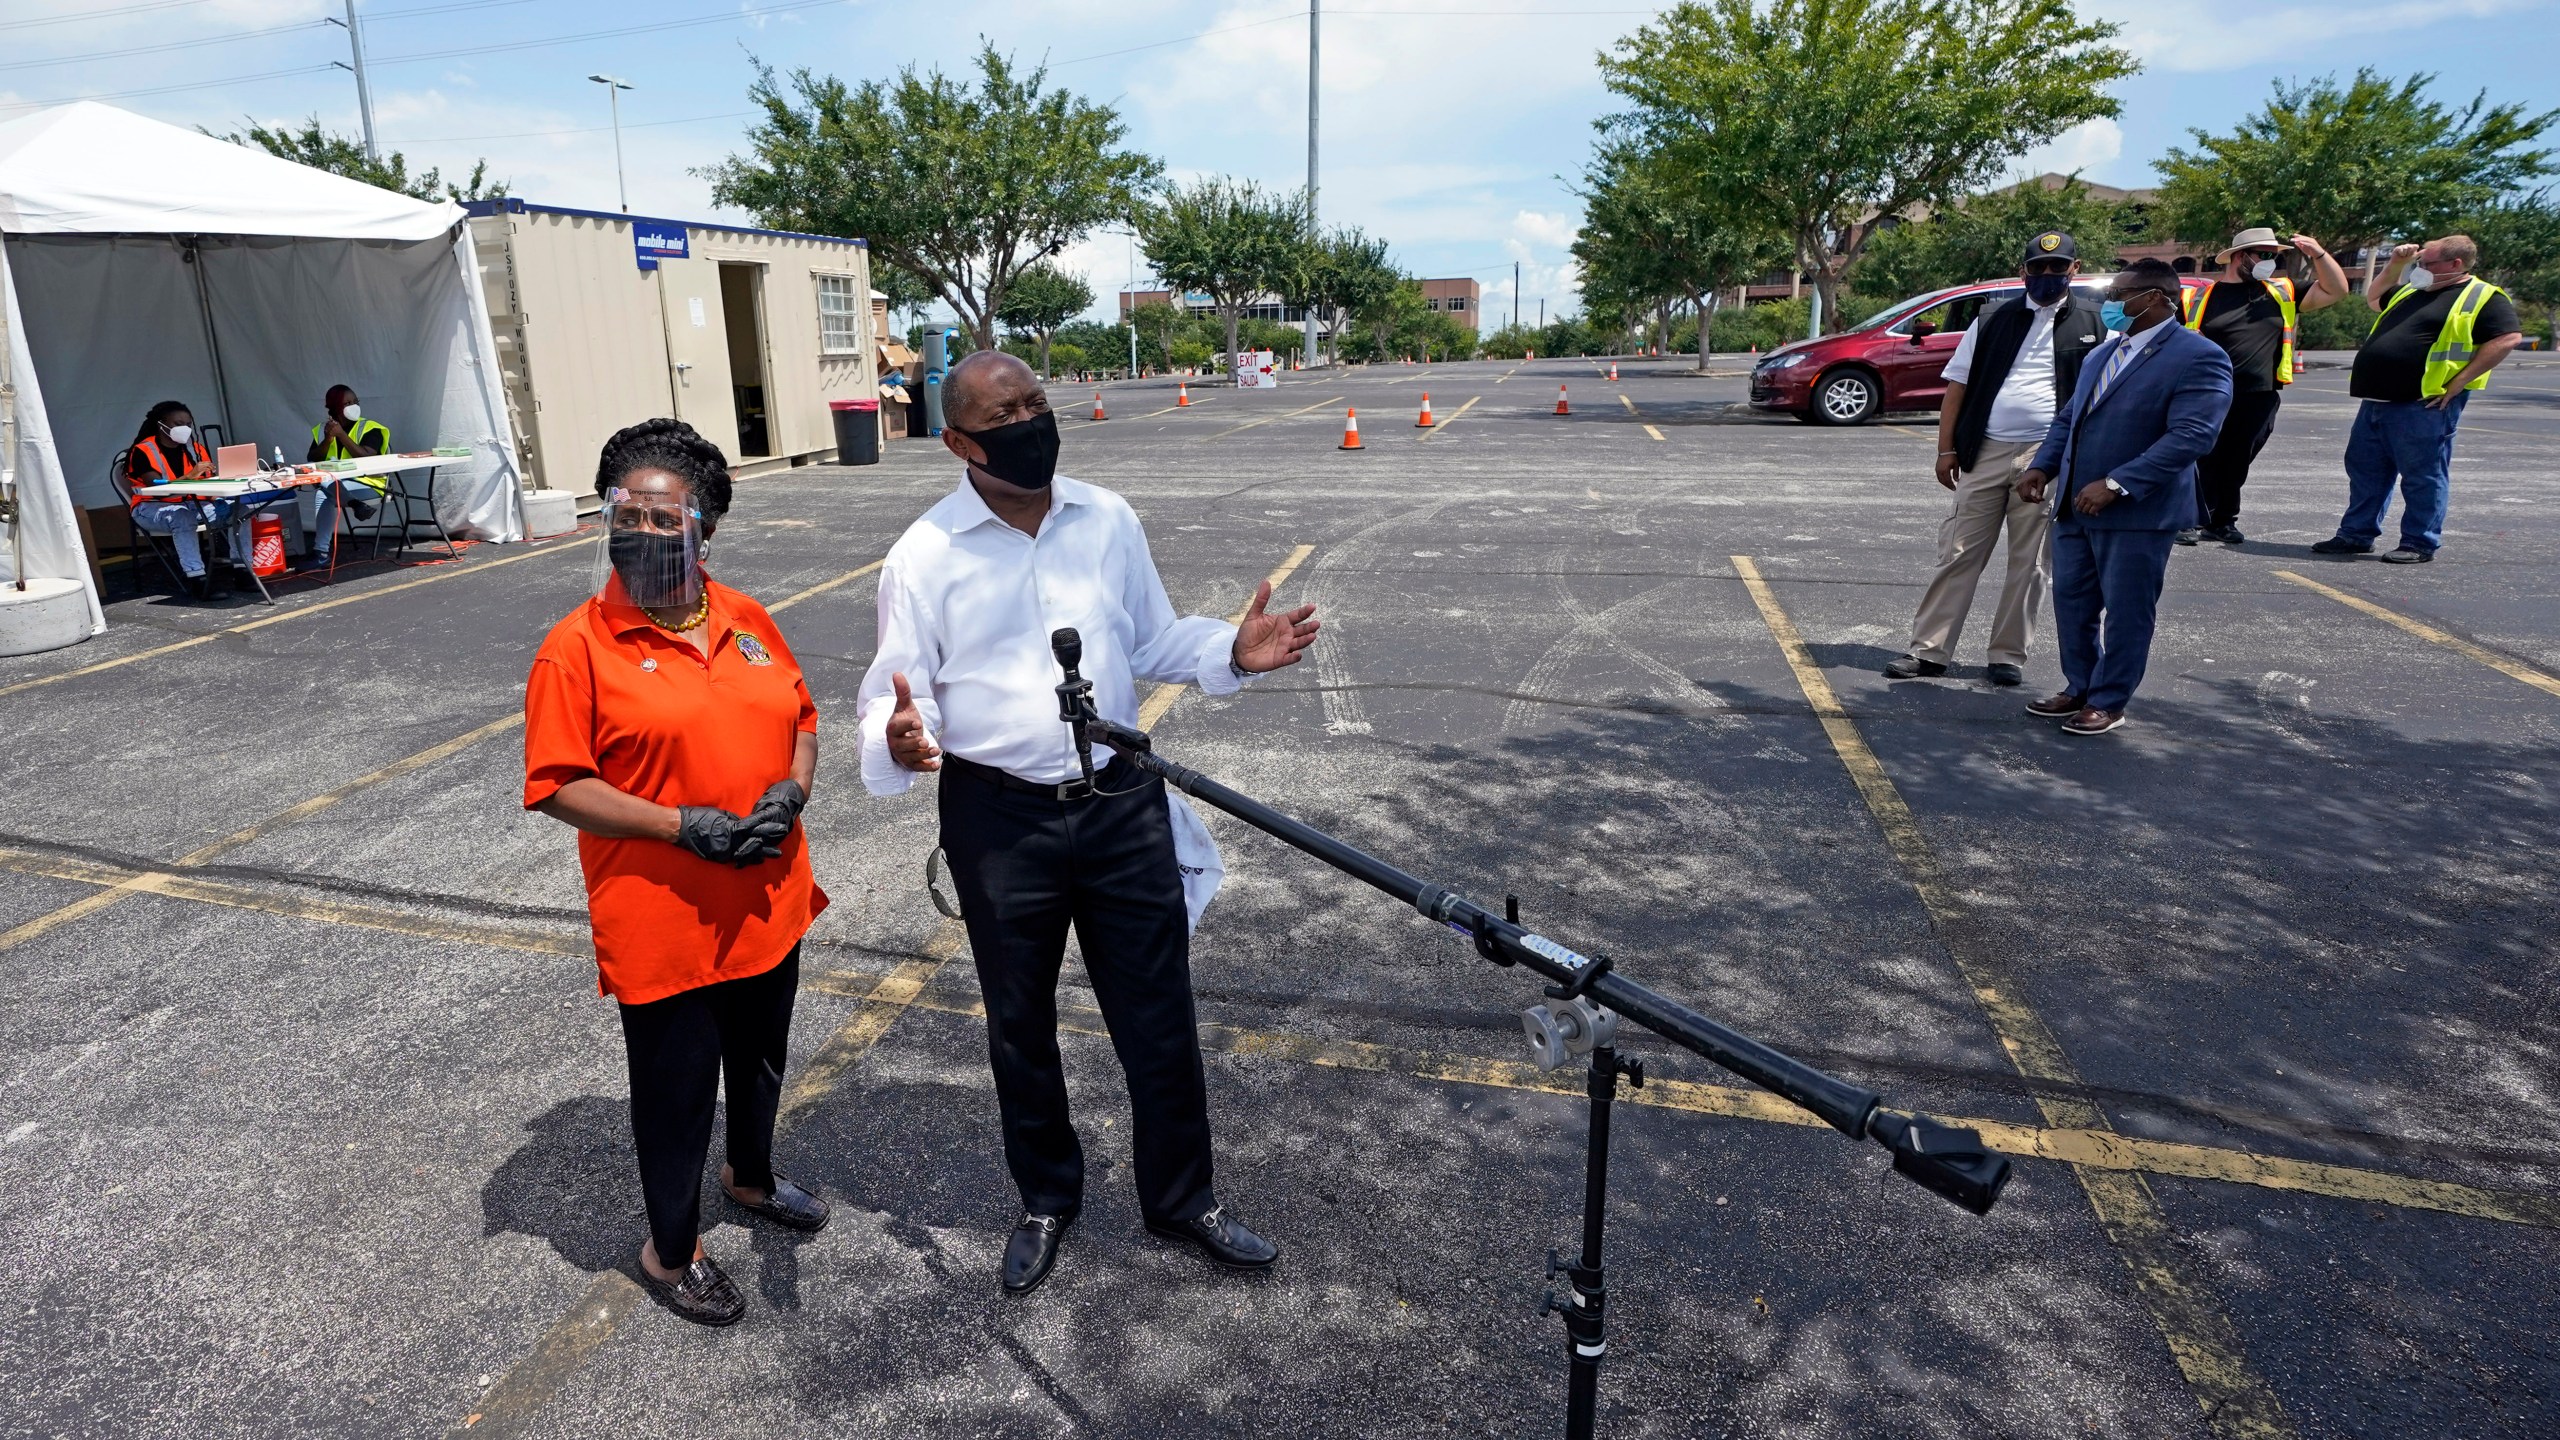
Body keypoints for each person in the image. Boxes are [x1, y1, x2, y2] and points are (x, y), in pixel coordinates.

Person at [858, 349, 1320, 1296]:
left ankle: (1184, 1199)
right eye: (1005, 415)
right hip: (999, 819)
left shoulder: (1105, 518)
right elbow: (900, 692)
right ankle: (1046, 1198)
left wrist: (1228, 648)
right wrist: (901, 738)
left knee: (1158, 1014)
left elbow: (1148, 637)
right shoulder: (923, 557)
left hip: (1118, 800)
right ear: (957, 442)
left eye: (1038, 403)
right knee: (1019, 1024)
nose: (1032, 423)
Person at [522, 417, 830, 1326]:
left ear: (706, 529)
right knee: (676, 1091)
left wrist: (792, 792)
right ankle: (671, 1248)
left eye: (667, 519)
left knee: (762, 1062)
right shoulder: (576, 647)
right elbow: (557, 784)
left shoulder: (745, 617)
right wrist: (679, 825)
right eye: (630, 514)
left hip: (768, 895)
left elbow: (803, 715)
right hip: (665, 918)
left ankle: (751, 1177)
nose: (645, 533)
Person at [2017, 258, 2233, 736]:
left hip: (2136, 511)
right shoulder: (2103, 353)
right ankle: (2080, 685)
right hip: (2075, 507)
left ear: (2154, 298)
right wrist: (2042, 466)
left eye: (2119, 295)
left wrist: (2118, 483)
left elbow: (2193, 435)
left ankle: (2110, 700)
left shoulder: (2199, 355)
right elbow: (2069, 420)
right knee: (2072, 605)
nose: (2109, 303)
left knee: (2127, 612)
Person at [1884, 230, 2108, 687]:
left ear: (2074, 269)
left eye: (2057, 267)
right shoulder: (1991, 319)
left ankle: (2007, 655)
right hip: (1984, 451)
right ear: (2023, 271)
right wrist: (1946, 449)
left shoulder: (2096, 322)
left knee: (2031, 563)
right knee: (1958, 552)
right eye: (2038, 268)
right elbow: (1958, 388)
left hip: (2047, 458)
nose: (2047, 275)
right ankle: (1929, 650)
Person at [2311, 235, 2525, 564]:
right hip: (2376, 400)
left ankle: (2418, 543)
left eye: (2427, 263)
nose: (2420, 269)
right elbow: (2374, 298)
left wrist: (2459, 382)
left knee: (2422, 476)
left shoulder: (2481, 296)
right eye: (2418, 264)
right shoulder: (2414, 290)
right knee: (2366, 472)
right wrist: (2396, 263)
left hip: (2423, 404)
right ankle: (2355, 534)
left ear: (2455, 264)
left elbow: (2508, 337)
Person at [2175, 228, 2351, 545]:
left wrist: (2319, 254)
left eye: (2275, 256)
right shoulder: (2198, 297)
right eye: (2265, 255)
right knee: (2201, 457)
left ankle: (2223, 521)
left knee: (2238, 459)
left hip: (2259, 395)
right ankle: (2188, 519)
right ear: (2241, 256)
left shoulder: (2280, 291)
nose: (2271, 262)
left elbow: (2337, 290)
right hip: (2209, 394)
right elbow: (2171, 337)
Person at [122, 400, 250, 598]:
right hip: (151, 508)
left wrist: (219, 494)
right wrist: (192, 474)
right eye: (177, 423)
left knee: (240, 511)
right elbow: (156, 488)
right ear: (161, 425)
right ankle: (197, 579)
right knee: (182, 517)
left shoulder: (195, 449)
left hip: (194, 505)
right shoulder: (143, 451)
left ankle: (243, 570)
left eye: (188, 424)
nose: (184, 428)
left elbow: (207, 484)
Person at [299, 384, 389, 569]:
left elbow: (367, 458)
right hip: (339, 488)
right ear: (334, 408)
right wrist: (328, 439)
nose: (353, 406)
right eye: (347, 403)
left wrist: (341, 435)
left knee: (324, 490)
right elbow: (312, 459)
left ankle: (321, 553)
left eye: (355, 401)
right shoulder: (322, 430)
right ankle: (356, 506)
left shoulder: (371, 428)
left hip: (369, 485)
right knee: (325, 485)